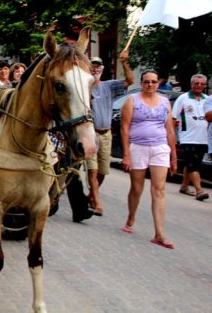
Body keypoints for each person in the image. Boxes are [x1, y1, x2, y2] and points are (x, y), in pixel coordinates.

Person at [120, 69, 177, 249]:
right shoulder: (132, 100)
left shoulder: (165, 102)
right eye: (146, 82)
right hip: (138, 147)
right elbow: (124, 127)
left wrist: (174, 156)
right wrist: (126, 154)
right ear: (142, 83)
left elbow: (170, 129)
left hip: (160, 148)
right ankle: (131, 218)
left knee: (159, 189)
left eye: (153, 82)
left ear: (158, 83)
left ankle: (159, 233)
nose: (150, 85)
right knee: (137, 188)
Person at [85, 52, 134, 216]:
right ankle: (97, 203)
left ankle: (91, 196)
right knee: (92, 169)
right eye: (92, 66)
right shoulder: (84, 87)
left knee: (102, 171)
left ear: (102, 68)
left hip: (106, 133)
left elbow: (130, 80)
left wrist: (124, 63)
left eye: (98, 66)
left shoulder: (109, 86)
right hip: (90, 133)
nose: (95, 69)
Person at [172, 74, 209, 201]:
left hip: (203, 138)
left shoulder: (207, 99)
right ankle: (199, 190)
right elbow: (173, 118)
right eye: (196, 83)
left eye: (202, 84)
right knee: (193, 164)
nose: (199, 86)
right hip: (187, 138)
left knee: (193, 163)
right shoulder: (183, 98)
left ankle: (184, 186)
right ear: (191, 84)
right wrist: (171, 136)